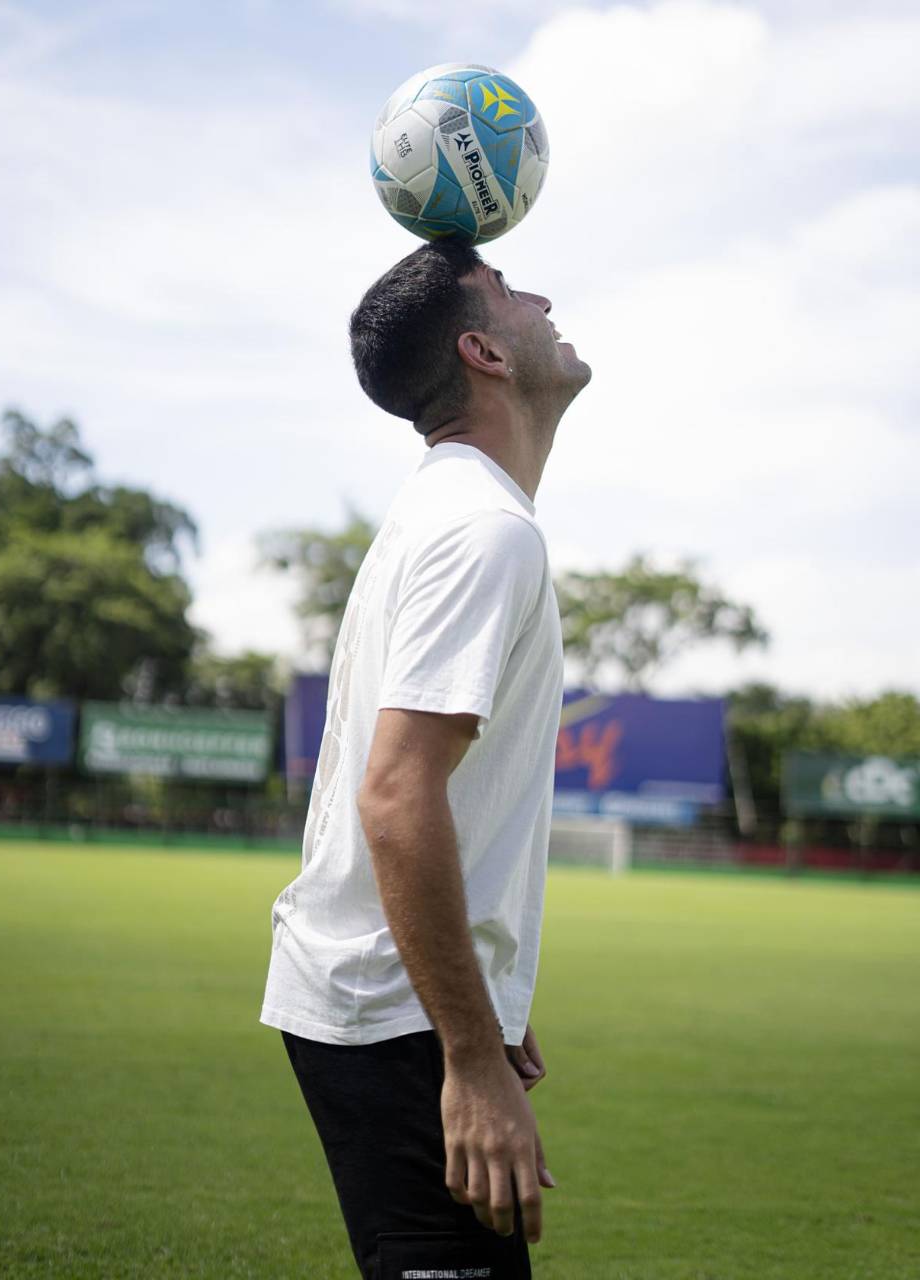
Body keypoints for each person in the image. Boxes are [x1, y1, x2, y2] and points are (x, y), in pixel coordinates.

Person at [260, 239, 591, 1280]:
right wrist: (470, 1054)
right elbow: (397, 795)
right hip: (392, 1017)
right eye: (509, 290)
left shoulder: (450, 510)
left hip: (394, 1002)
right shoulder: (483, 530)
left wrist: (482, 995)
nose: (543, 298)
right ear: (482, 351)